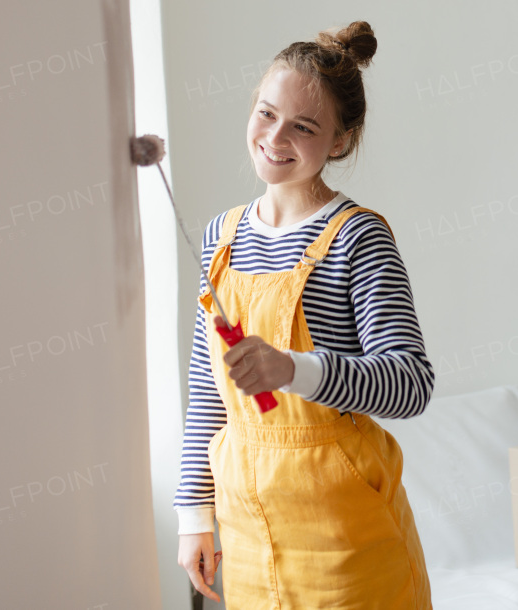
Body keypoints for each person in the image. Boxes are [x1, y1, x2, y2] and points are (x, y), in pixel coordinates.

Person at [173, 20, 435, 608]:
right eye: (266, 113)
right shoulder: (221, 236)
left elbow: (411, 385)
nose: (275, 136)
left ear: (339, 142)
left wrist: (291, 369)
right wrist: (194, 514)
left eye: (303, 126)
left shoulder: (357, 237)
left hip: (344, 529)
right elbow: (208, 391)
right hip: (245, 522)